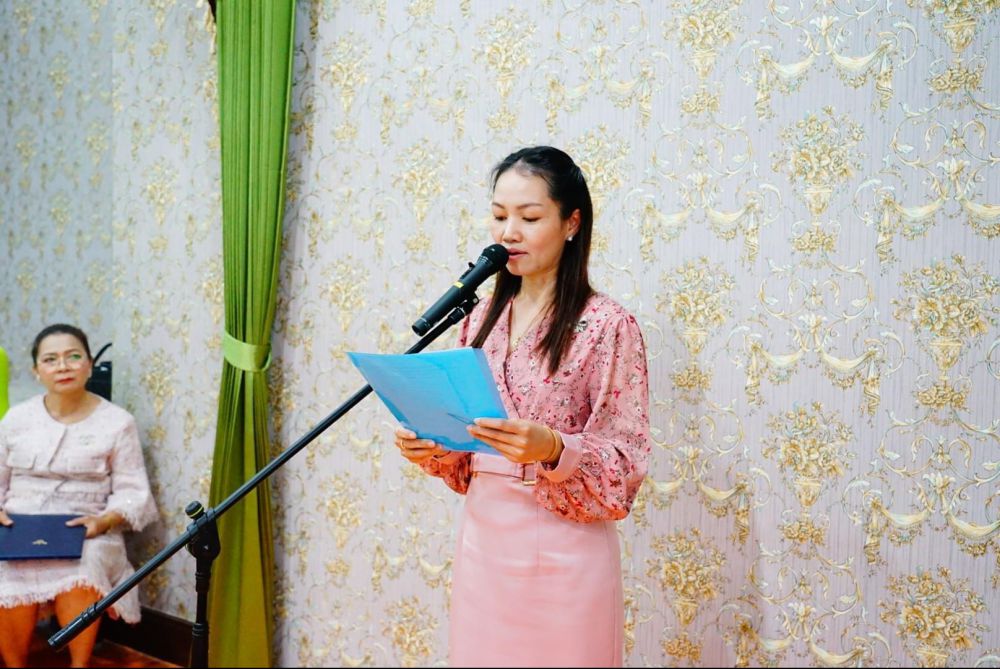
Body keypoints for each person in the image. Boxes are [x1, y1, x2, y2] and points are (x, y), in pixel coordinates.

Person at [394, 146, 650, 667]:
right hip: (484, 545)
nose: (509, 232)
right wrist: (432, 445)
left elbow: (626, 461)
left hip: (565, 553)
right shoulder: (477, 317)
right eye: (499, 216)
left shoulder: (608, 325)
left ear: (571, 223)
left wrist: (554, 448)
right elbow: (466, 448)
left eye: (529, 218)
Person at [0, 324, 158, 668]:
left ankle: (79, 664)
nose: (63, 366)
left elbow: (133, 492)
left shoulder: (118, 422)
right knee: (6, 569)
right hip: (18, 526)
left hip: (88, 529)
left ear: (89, 364)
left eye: (73, 357)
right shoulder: (16, 418)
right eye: (50, 359)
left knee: (84, 567)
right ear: (36, 371)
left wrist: (104, 521)